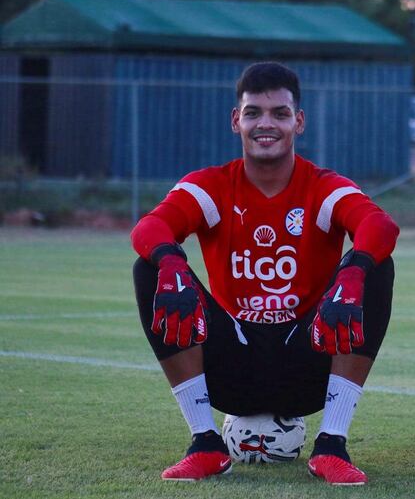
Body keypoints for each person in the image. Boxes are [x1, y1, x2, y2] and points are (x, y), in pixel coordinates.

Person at [131, 62, 399, 485]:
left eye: (279, 113)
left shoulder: (321, 185)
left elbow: (380, 227)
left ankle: (332, 445)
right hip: (232, 364)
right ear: (236, 120)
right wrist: (169, 261)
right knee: (149, 267)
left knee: (376, 266)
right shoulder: (214, 185)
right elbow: (149, 227)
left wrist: (354, 271)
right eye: (253, 112)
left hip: (307, 361)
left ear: (299, 121)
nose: (266, 124)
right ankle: (204, 442)